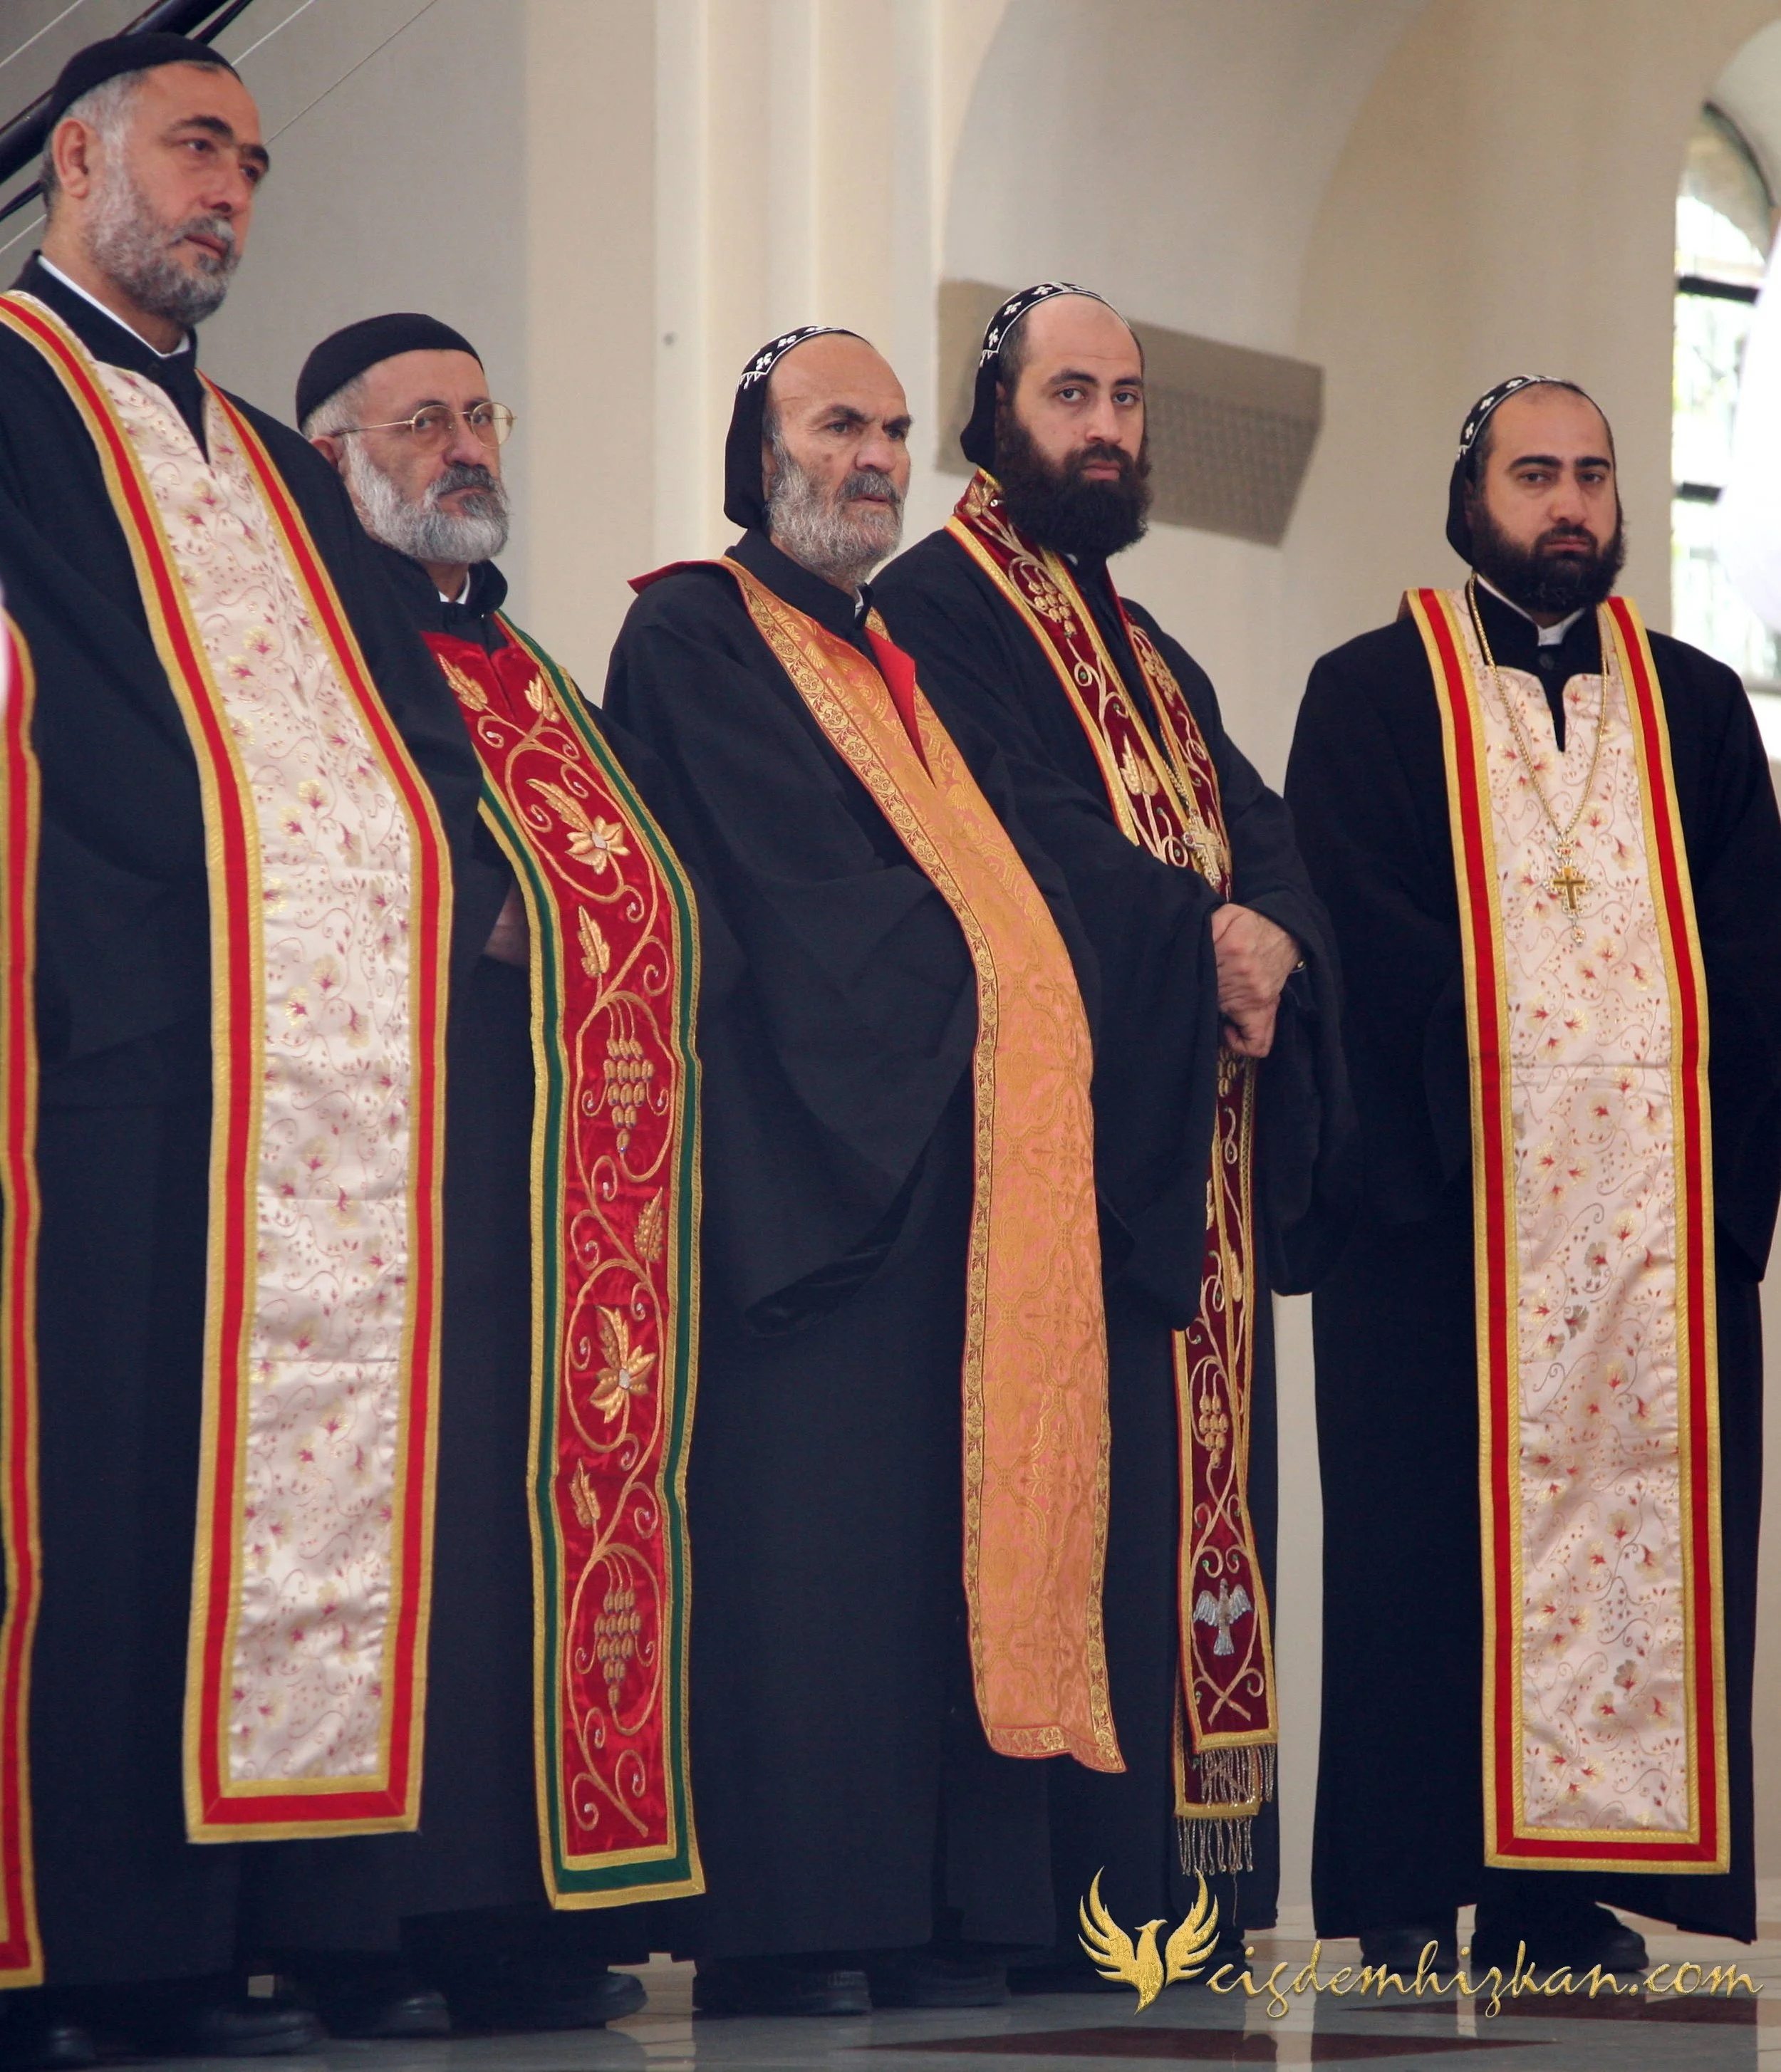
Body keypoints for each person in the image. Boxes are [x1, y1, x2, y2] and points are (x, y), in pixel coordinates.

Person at [0, 34, 492, 2068]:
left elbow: (406, 739)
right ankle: (73, 1956)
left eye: (257, 165)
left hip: (312, 1098)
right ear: (74, 156)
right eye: (198, 146)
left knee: (264, 1500)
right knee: (97, 1487)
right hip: (92, 1044)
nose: (231, 191)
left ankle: (227, 1932)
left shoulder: (286, 472)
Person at [603, 326, 1116, 2017]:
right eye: (838, 426)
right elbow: (792, 895)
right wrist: (995, 994)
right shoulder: (695, 626)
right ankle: (800, 1912)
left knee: (928, 1555)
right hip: (812, 1167)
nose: (874, 456)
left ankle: (939, 1901)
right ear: (758, 451)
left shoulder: (881, 649)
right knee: (819, 1561)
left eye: (894, 430)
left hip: (946, 1167)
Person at [218, 315, 703, 2038]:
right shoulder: (312, 643)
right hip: (378, 1171)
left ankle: (511, 1905)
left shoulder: (524, 656)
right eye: (420, 421)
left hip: (565, 1184)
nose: (465, 445)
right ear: (332, 456)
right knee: (396, 1524)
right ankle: (363, 1924)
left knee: (524, 1536)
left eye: (481, 412)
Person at [875, 283, 1350, 1982]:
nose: (1106, 428)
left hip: (1191, 1155)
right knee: (1081, 1519)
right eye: (1070, 393)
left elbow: (1263, 825)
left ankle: (1187, 1889)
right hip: (1062, 1169)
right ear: (993, 413)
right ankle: (1060, 1896)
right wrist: (1195, 934)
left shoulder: (1151, 649)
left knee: (1187, 1528)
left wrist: (1272, 932)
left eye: (1127, 399)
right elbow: (1021, 835)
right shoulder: (932, 606)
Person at [1285, 375, 1781, 1976]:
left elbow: (1752, 959)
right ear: (1466, 494)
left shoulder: (1700, 708)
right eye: (1531, 474)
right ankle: (1411, 1879)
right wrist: (1526, 1066)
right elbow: (1355, 927)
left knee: (1627, 1535)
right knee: (1417, 1546)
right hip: (1440, 1218)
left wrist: (1719, 1196)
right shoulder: (1367, 693)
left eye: (1589, 475)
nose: (1566, 504)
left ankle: (1554, 1885)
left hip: (1648, 1232)